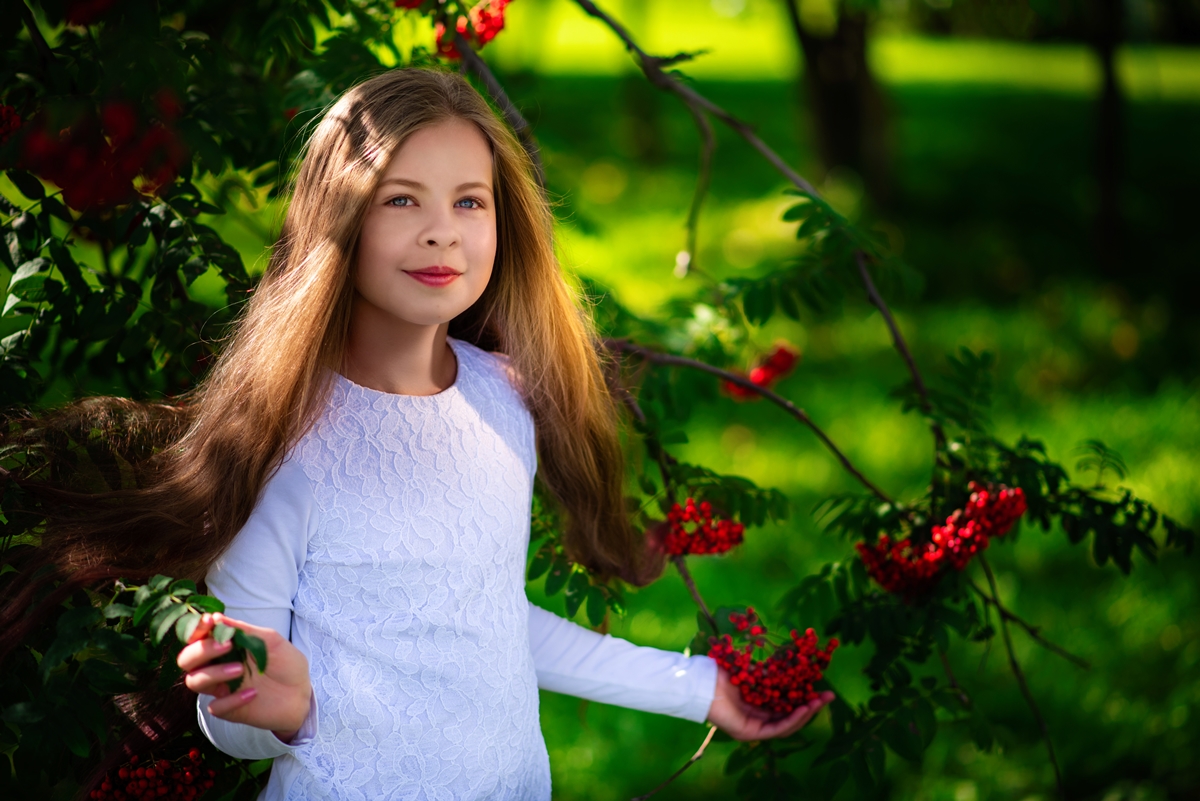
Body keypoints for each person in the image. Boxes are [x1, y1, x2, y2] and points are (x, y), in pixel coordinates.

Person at [156, 67, 833, 799]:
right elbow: (234, 716)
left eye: (468, 200)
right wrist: (279, 709)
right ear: (339, 217)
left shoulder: (504, 400)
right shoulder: (280, 444)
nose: (441, 228)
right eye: (401, 198)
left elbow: (493, 623)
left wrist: (700, 688)